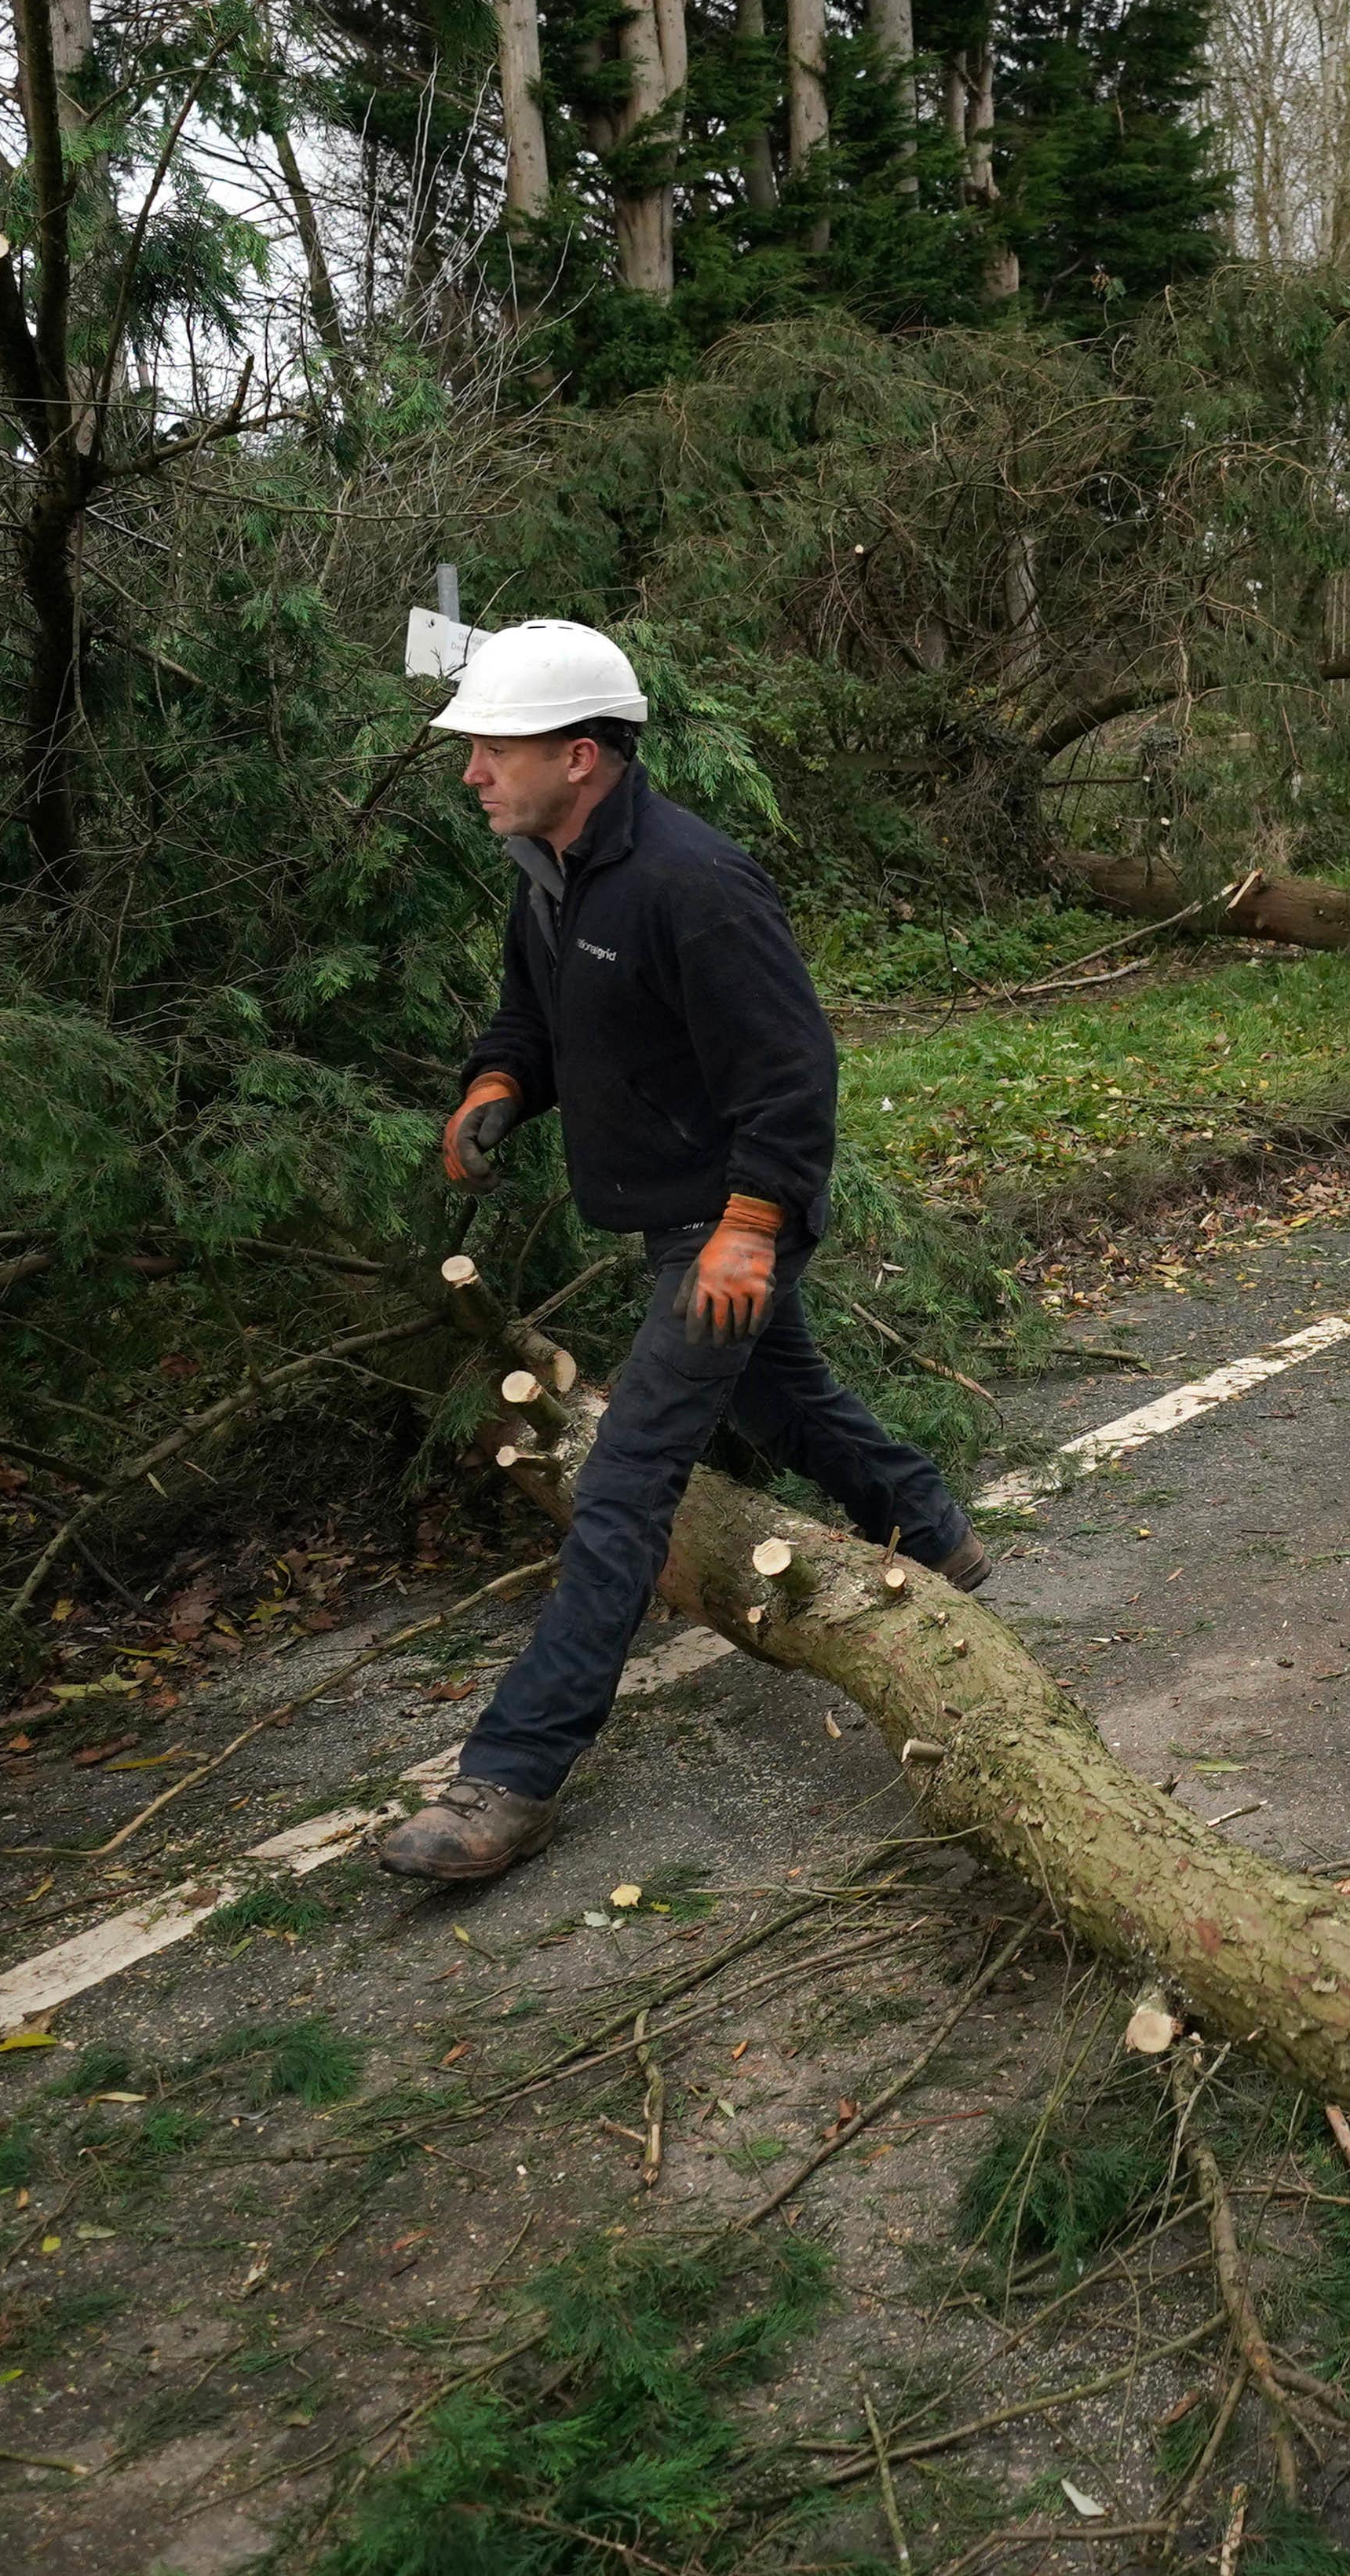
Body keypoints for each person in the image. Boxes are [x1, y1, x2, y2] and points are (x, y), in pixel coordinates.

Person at [381, 619, 991, 1884]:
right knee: (787, 1395)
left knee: (625, 1479)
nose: (472, 772)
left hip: (726, 1220)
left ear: (584, 755)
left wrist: (752, 1231)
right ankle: (928, 1530)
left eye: (496, 747)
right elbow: (528, 1019)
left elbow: (790, 1074)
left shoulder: (689, 881)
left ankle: (512, 1774)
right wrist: (496, 1083)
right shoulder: (549, 871)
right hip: (678, 1214)